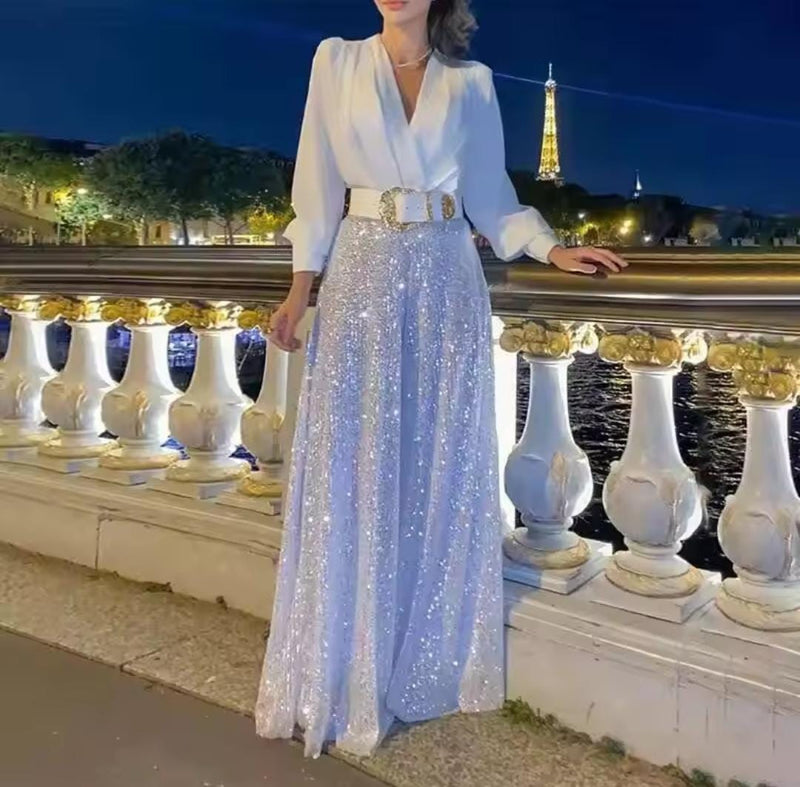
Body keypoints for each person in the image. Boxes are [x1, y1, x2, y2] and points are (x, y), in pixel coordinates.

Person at [256, 0, 627, 760]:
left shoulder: (472, 82)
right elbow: (315, 186)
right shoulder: (335, 60)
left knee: (435, 463)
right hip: (361, 276)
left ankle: (418, 657)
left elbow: (488, 196)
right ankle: (346, 659)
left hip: (446, 279)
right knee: (356, 463)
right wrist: (300, 287)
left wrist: (550, 248)